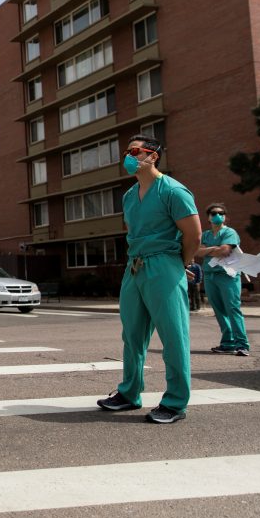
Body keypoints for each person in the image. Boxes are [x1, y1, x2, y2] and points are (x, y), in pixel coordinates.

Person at [97, 134, 201, 424]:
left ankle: (175, 402)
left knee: (173, 335)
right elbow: (134, 231)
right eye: (127, 152)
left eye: (135, 151)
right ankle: (129, 393)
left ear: (153, 156)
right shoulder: (130, 196)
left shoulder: (173, 191)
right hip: (135, 266)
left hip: (164, 264)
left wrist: (181, 264)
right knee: (132, 335)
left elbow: (193, 234)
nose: (129, 157)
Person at [197, 203, 250, 356]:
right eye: (213, 213)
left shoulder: (230, 232)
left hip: (228, 276)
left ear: (225, 216)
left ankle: (242, 344)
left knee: (232, 309)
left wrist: (208, 250)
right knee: (219, 310)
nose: (217, 215)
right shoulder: (206, 234)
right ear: (208, 217)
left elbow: (225, 251)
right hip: (210, 276)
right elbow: (197, 251)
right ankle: (228, 343)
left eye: (221, 213)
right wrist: (214, 250)